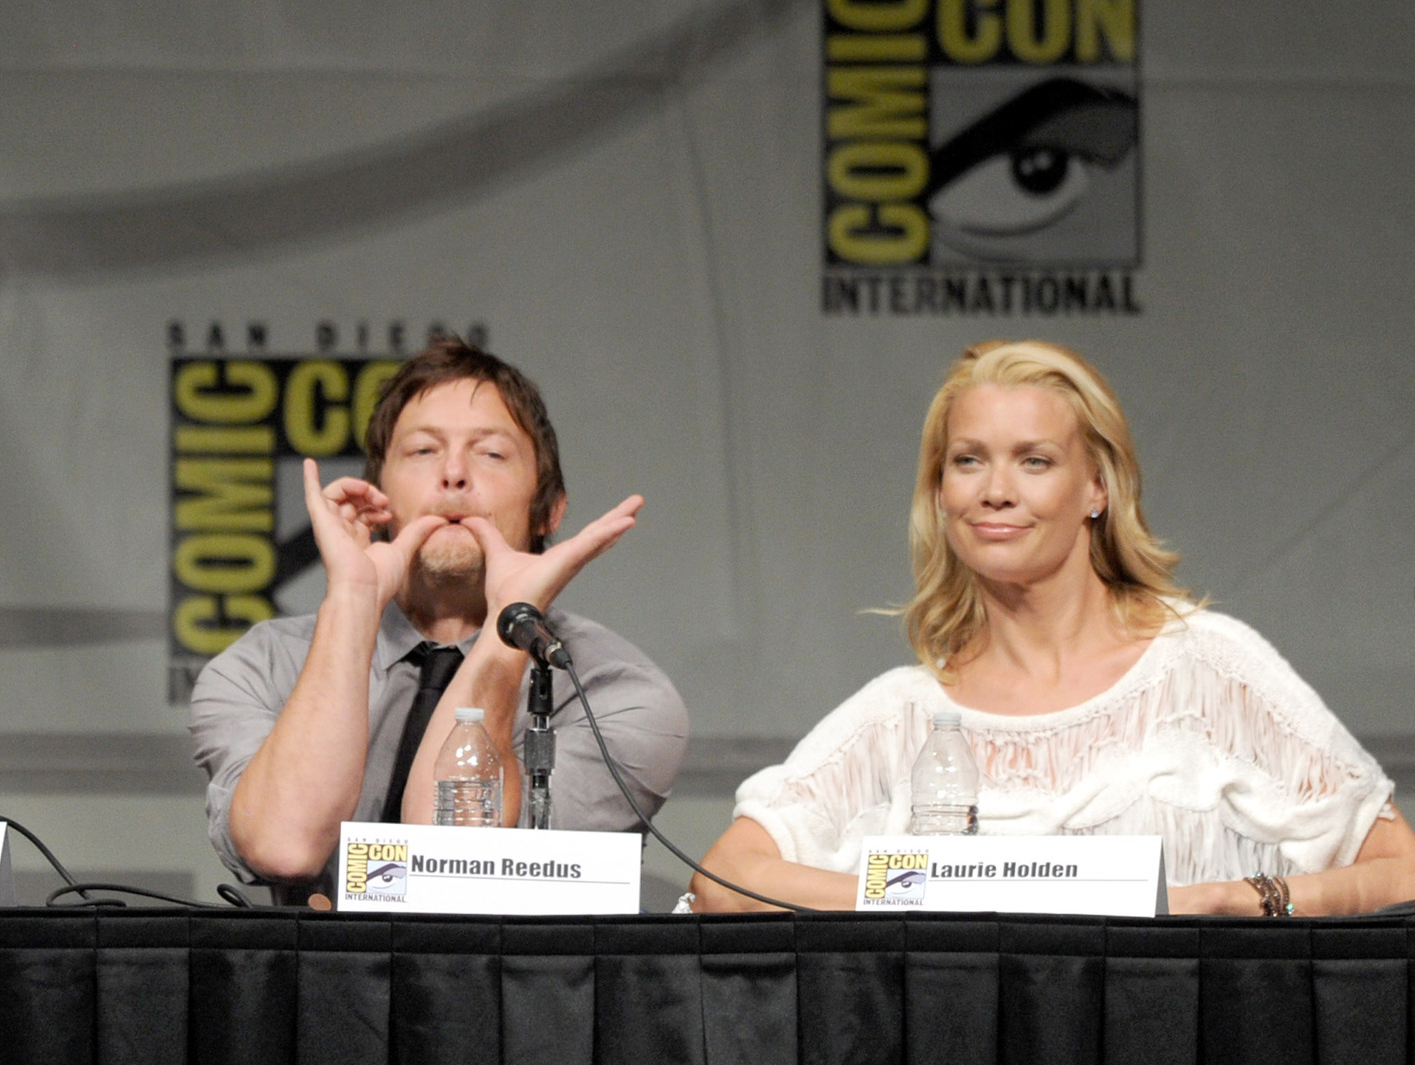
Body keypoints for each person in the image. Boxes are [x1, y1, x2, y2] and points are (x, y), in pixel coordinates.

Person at [691, 339, 1415, 915]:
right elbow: (727, 878)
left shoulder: (1210, 672)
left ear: (1097, 488)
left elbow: (1400, 870)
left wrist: (1247, 898)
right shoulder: (903, 717)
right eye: (967, 460)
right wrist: (926, 895)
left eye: (1034, 461)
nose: (996, 491)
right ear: (940, 493)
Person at [190, 337, 689, 903]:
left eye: (491, 454)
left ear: (547, 509)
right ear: (377, 500)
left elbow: (448, 865)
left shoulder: (614, 692)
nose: (453, 473)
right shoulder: (264, 666)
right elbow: (285, 846)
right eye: (423, 451)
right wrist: (352, 600)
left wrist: (509, 625)